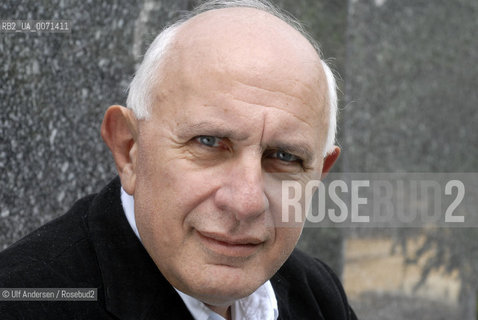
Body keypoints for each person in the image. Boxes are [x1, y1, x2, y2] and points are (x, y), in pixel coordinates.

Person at [0, 0, 357, 319]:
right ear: (129, 149)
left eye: (284, 157)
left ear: (318, 176)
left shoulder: (319, 296)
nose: (246, 202)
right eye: (209, 142)